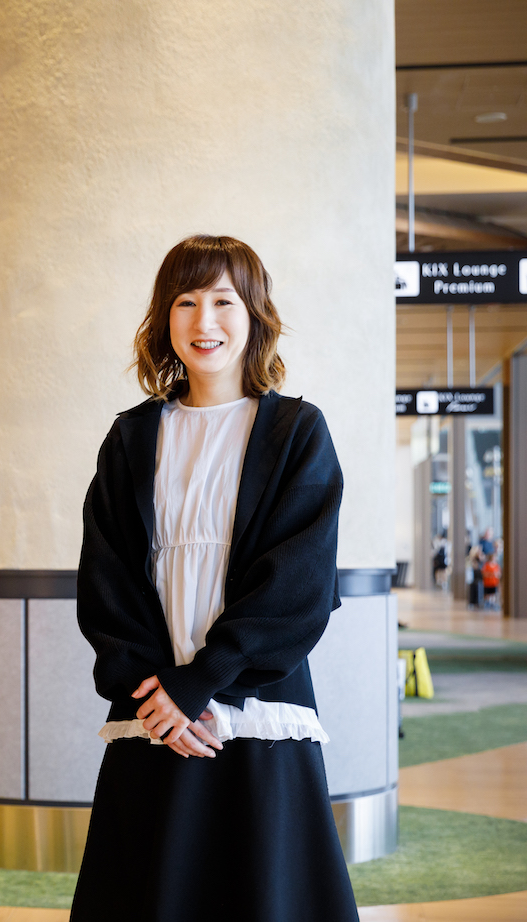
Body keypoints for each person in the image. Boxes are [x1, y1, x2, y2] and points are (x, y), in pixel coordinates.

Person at [73, 235, 357, 921]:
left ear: (255, 315)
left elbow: (298, 586)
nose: (205, 322)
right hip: (154, 718)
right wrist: (159, 695)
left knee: (263, 895)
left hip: (259, 716)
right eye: (186, 302)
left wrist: (199, 683)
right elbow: (106, 579)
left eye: (224, 302)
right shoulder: (131, 437)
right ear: (163, 320)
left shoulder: (297, 431)